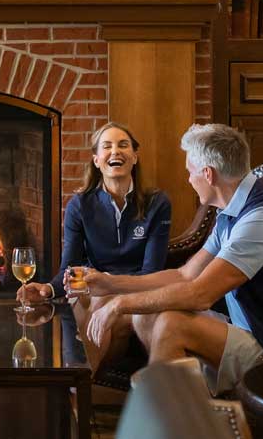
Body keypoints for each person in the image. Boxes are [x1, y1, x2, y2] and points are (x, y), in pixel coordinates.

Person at [82, 123, 263, 394]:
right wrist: (110, 284)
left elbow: (199, 294)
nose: (188, 179)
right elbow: (184, 274)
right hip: (244, 327)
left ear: (208, 174)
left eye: (190, 172)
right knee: (145, 316)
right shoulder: (231, 210)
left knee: (172, 325)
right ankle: (192, 408)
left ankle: (170, 424)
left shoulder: (259, 220)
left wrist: (119, 305)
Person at [16, 121, 171, 371]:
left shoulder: (157, 202)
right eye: (107, 146)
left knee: (101, 303)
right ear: (97, 160)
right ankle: (79, 387)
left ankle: (85, 385)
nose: (115, 151)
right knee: (92, 301)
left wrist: (108, 283)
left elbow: (152, 271)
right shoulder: (80, 204)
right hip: (91, 289)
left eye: (123, 145)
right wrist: (47, 288)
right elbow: (70, 265)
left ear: (134, 156)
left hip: (139, 288)